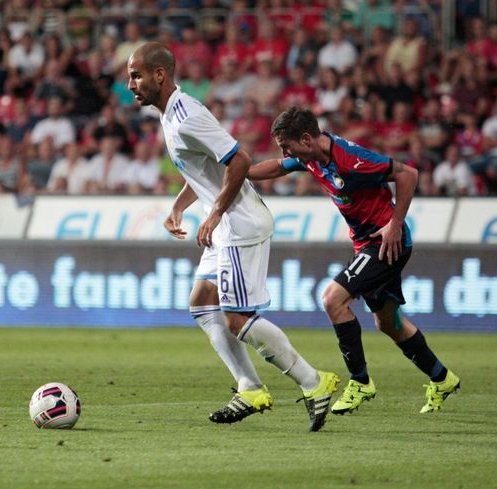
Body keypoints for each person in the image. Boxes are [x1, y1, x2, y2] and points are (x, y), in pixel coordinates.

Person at [127, 42, 339, 431]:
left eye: (137, 75)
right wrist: (179, 207)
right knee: (202, 302)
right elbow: (206, 170)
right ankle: (250, 387)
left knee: (236, 318)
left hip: (240, 225)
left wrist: (216, 213)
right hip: (224, 225)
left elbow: (239, 160)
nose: (131, 84)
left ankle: (314, 382)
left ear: (160, 74)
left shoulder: (187, 114)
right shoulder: (169, 117)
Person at [248, 106, 460, 415]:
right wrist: (239, 169)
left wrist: (395, 223)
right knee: (388, 322)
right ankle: (442, 378)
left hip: (386, 243)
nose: (285, 152)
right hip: (367, 243)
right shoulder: (313, 157)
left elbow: (407, 174)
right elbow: (278, 167)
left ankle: (360, 382)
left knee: (333, 300)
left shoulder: (350, 161)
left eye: (287, 145)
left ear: (306, 139)